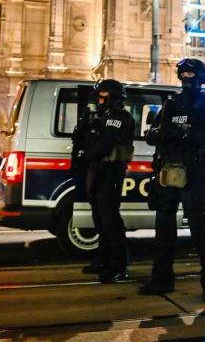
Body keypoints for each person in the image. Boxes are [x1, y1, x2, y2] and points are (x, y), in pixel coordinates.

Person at [140, 58, 205, 302]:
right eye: (183, 74)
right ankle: (161, 280)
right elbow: (152, 134)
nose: (187, 79)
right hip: (169, 172)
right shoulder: (171, 104)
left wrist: (188, 133)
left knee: (201, 232)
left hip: (196, 173)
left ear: (200, 78)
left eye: (191, 75)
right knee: (164, 232)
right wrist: (163, 133)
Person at [72, 79, 135, 283]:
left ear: (113, 97)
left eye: (102, 96)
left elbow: (107, 142)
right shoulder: (101, 116)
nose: (99, 99)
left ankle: (118, 265)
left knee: (110, 219)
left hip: (111, 170)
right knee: (99, 217)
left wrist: (86, 153)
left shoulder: (118, 117)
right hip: (98, 169)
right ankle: (103, 259)